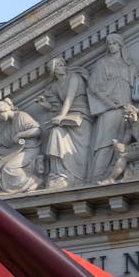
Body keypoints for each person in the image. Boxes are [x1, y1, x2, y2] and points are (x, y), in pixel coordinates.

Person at [87, 36, 137, 180]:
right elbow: (94, 87)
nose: (111, 46)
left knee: (122, 142)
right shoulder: (102, 63)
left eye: (114, 43)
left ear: (121, 45)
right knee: (106, 142)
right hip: (109, 108)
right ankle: (97, 175)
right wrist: (108, 102)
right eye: (109, 44)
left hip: (126, 107)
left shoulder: (128, 64)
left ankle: (114, 174)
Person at [39, 57, 92, 189]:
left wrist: (62, 116)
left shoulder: (73, 77)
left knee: (77, 147)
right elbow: (58, 106)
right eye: (58, 65)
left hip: (80, 115)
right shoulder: (56, 86)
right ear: (53, 70)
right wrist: (46, 105)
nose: (62, 67)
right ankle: (59, 174)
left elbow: (69, 98)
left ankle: (78, 175)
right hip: (66, 116)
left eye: (63, 64)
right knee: (55, 132)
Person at [0, 99, 41, 193]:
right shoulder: (9, 125)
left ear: (5, 110)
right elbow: (1, 140)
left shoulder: (21, 116)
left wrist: (20, 135)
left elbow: (37, 130)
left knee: (9, 168)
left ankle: (33, 181)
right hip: (17, 150)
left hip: (30, 149)